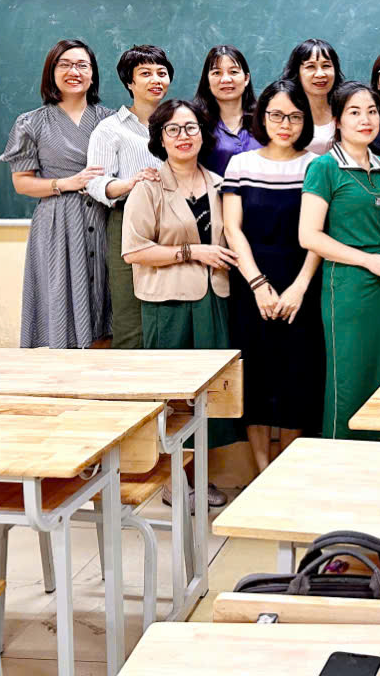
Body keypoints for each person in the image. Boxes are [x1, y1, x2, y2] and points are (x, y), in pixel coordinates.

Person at [122, 99, 241, 508]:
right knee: (173, 398)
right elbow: (134, 251)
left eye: (191, 127)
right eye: (172, 129)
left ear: (203, 134)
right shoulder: (148, 186)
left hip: (214, 299)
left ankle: (200, 477)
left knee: (208, 396)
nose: (183, 136)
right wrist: (192, 252)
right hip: (168, 303)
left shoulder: (220, 183)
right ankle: (173, 481)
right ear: (160, 137)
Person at [222, 80, 323, 472]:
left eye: (295, 117)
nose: (285, 124)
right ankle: (262, 472)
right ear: (262, 117)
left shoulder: (315, 165)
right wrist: (257, 284)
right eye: (277, 115)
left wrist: (299, 287)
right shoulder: (241, 164)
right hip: (252, 285)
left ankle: (286, 472)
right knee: (258, 379)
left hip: (302, 284)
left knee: (298, 377)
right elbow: (233, 229)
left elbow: (320, 233)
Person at [299, 81, 380, 440]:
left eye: (372, 111)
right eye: (354, 112)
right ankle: (340, 456)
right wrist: (367, 261)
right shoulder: (324, 167)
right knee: (349, 378)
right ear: (337, 121)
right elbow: (309, 236)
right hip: (346, 287)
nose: (365, 120)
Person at [0, 39, 113, 348]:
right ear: (51, 72)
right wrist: (66, 183)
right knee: (61, 302)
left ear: (93, 74)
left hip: (105, 218)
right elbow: (22, 183)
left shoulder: (111, 121)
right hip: (58, 223)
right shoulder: (31, 122)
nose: (74, 72)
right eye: (65, 65)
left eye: (82, 65)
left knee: (107, 304)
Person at [86, 45, 172, 348]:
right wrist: (130, 183)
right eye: (145, 73)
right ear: (129, 82)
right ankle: (131, 376)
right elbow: (95, 182)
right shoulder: (110, 129)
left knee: (174, 306)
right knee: (130, 309)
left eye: (162, 73)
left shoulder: (178, 123)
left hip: (177, 220)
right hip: (128, 219)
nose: (156, 80)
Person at [195, 44, 259, 175]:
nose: (225, 79)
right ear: (207, 81)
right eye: (216, 73)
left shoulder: (265, 120)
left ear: (246, 78)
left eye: (233, 72)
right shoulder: (195, 123)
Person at [282, 39, 344, 155]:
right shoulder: (284, 114)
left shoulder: (345, 110)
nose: (320, 74)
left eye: (326, 66)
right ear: (297, 72)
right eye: (310, 66)